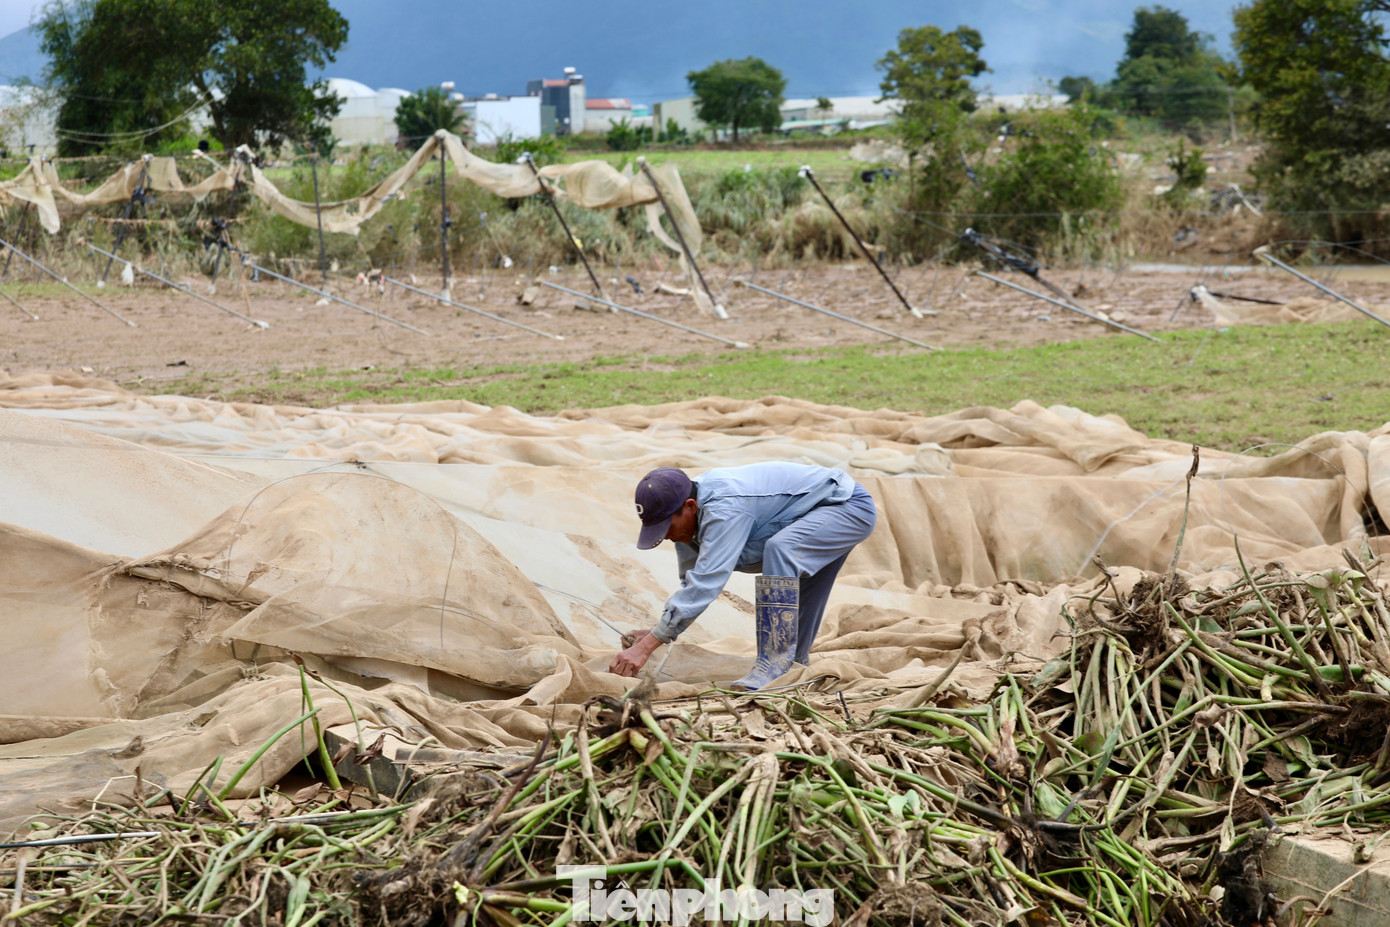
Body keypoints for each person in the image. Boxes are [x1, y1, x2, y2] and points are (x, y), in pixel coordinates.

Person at [609, 462, 877, 690]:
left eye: (666, 527)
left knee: (781, 550)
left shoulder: (725, 509)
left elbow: (705, 586)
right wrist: (655, 633)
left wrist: (645, 649)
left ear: (689, 506)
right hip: (808, 513)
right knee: (797, 580)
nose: (665, 535)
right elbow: (692, 584)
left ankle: (773, 664)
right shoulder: (686, 518)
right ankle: (794, 667)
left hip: (847, 506)